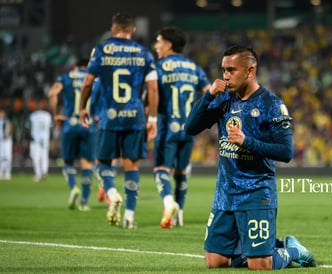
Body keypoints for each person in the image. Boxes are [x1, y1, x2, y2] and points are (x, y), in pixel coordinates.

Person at [185, 45, 316, 270]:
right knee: (214, 262)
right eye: (223, 70)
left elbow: (286, 152)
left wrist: (247, 142)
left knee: (260, 266)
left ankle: (293, 250)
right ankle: (260, 247)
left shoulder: (272, 105)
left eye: (231, 70)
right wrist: (208, 95)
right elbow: (190, 128)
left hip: (256, 192)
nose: (225, 76)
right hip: (225, 193)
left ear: (250, 71)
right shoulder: (223, 100)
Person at [79, 12, 158, 229]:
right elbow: (152, 88)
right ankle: (130, 216)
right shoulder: (144, 53)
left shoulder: (102, 50)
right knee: (131, 165)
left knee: (102, 162)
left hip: (109, 117)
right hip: (135, 117)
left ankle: (112, 193)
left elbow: (87, 83)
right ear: (132, 30)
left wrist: (82, 107)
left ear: (113, 30)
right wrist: (152, 118)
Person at [152, 26, 211, 228]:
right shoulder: (194, 68)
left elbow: (151, 95)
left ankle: (169, 203)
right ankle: (180, 213)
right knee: (182, 172)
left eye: (158, 41)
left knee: (161, 169)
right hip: (188, 127)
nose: (156, 45)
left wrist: (150, 118)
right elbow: (209, 94)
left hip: (166, 127)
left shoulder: (158, 67)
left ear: (168, 44)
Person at [48, 58, 100, 210]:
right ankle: (84, 201)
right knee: (87, 163)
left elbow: (52, 93)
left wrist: (56, 114)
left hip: (70, 123)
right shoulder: (95, 79)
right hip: (88, 125)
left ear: (75, 66)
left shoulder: (66, 76)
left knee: (68, 162)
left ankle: (73, 188)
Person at [27, 101, 53, 182]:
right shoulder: (48, 115)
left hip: (36, 140)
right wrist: (51, 139)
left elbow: (28, 128)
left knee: (36, 158)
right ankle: (44, 171)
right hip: (45, 139)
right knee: (44, 157)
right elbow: (51, 128)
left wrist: (29, 137)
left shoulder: (32, 115)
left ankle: (38, 174)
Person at [0, 108, 13, 180]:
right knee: (1, 157)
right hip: (0, 141)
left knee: (7, 157)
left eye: (1, 113)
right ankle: (1, 172)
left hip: (7, 141)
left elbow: (11, 129)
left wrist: (7, 135)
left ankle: (8, 173)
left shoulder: (6, 121)